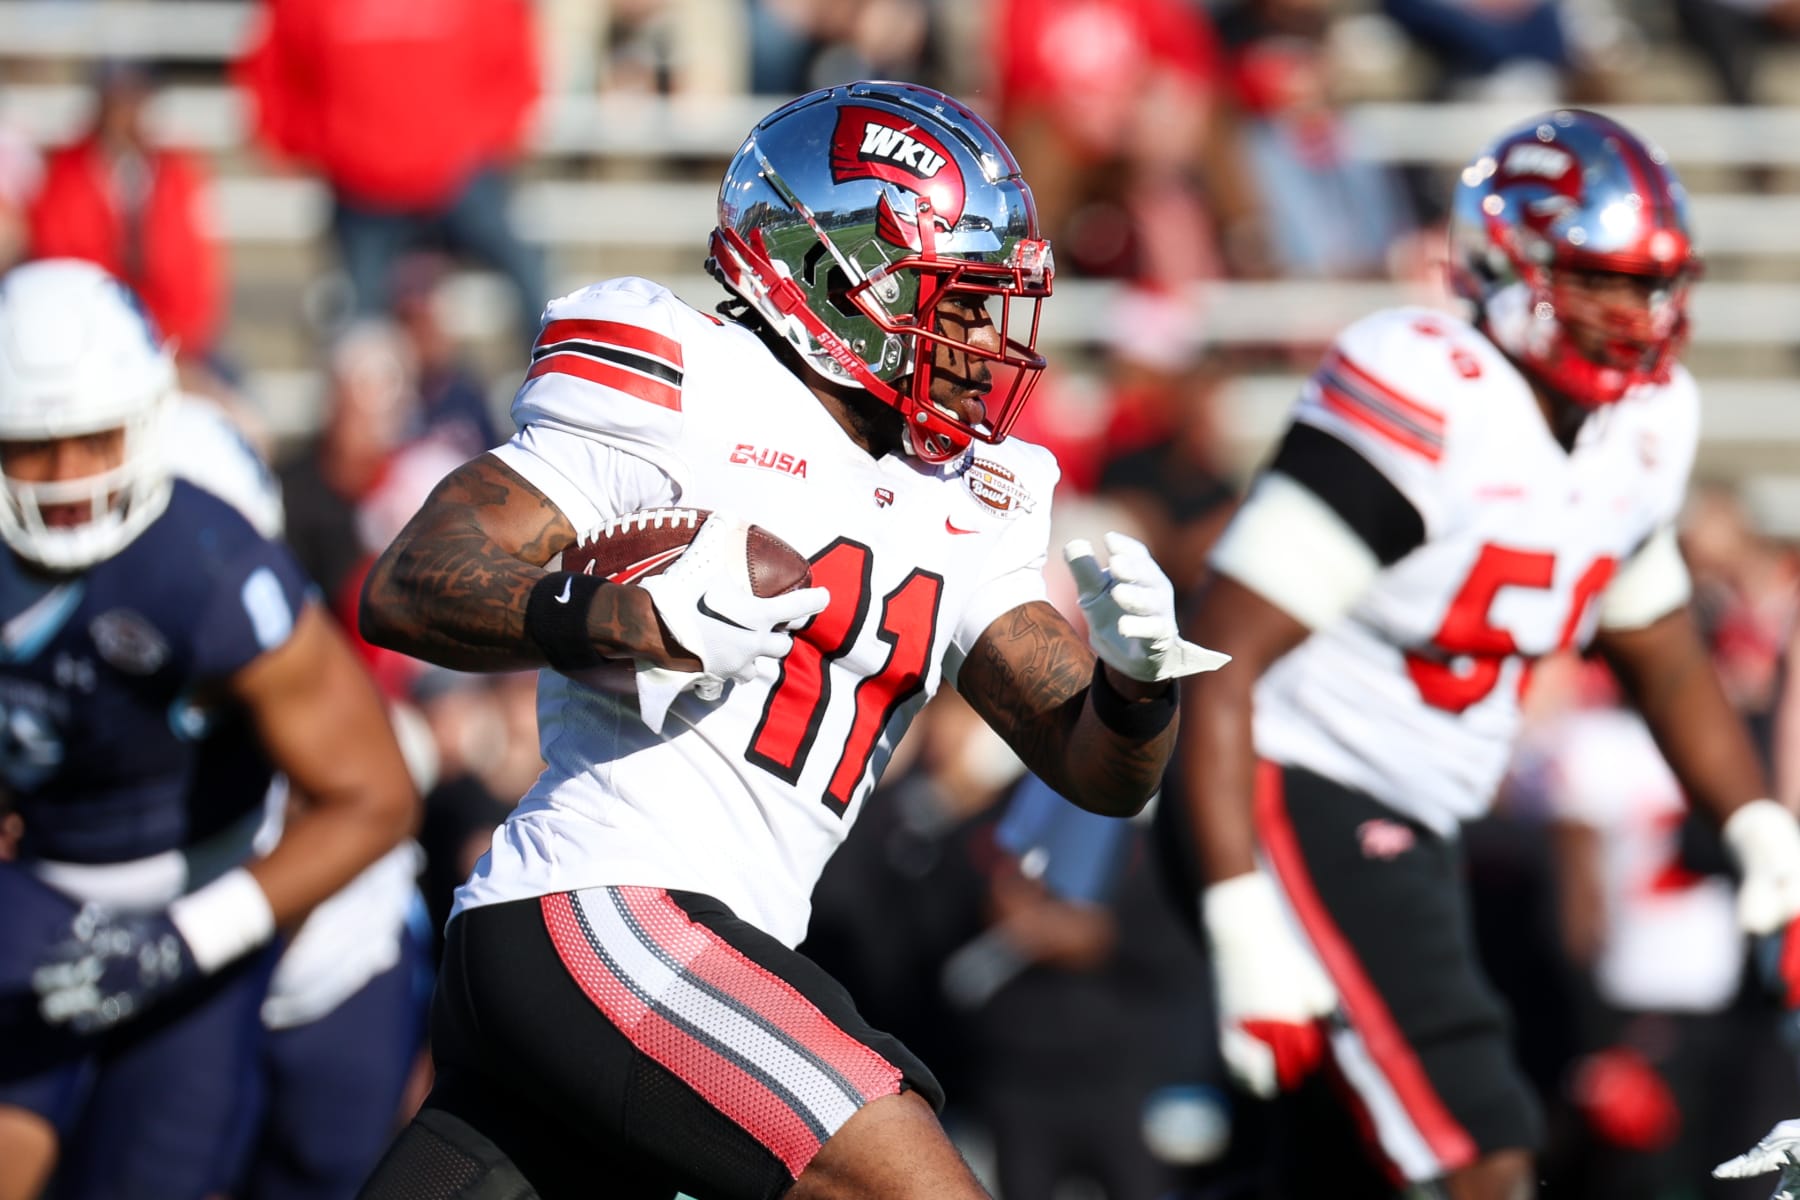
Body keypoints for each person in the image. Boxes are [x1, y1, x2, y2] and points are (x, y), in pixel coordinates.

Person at [353, 79, 1225, 1200]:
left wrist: (1139, 684)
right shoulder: (688, 386)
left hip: (666, 954)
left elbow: (1099, 770)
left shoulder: (973, 491)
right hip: (606, 909)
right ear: (834, 278)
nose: (982, 340)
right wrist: (631, 620)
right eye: (956, 301)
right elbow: (414, 579)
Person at [1167, 108, 1800, 1198]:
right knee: (1478, 1139)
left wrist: (1755, 824)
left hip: (1416, 815)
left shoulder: (1644, 426)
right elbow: (1215, 661)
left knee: (1339, 1171)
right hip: (1288, 785)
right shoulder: (1431, 392)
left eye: (1656, 286)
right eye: (1606, 283)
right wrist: (1237, 910)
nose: (1641, 317)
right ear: (1512, 265)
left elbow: (1661, 650)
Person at [0, 259, 419, 1200]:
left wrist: (184, 939)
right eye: (31, 446)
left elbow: (374, 797)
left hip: (208, 898)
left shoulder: (207, 559)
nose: (67, 485)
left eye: (94, 440)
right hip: (36, 879)